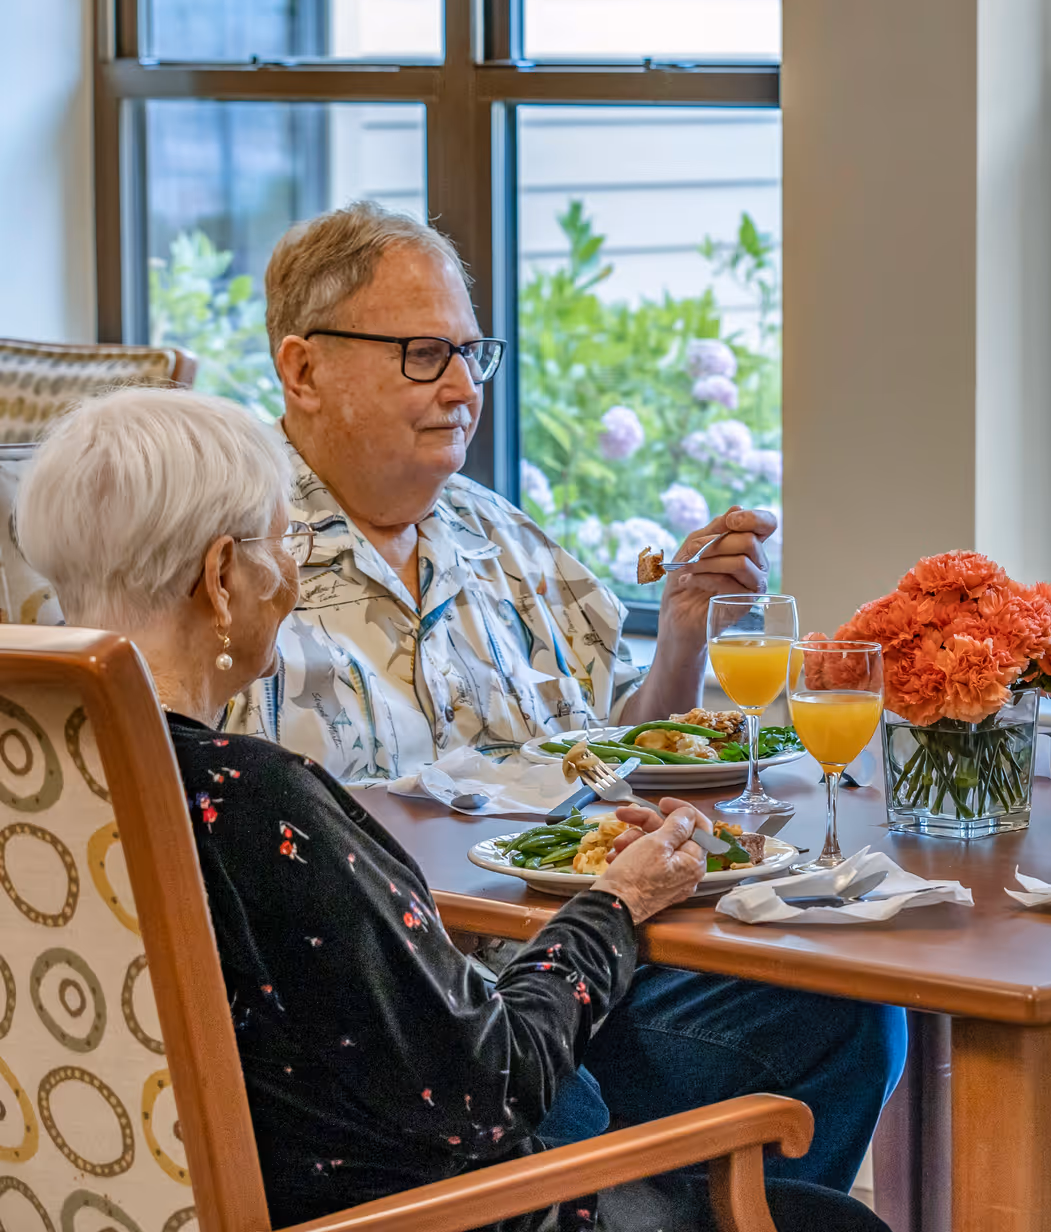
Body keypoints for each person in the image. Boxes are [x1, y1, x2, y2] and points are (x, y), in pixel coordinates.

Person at [13, 388, 890, 1232]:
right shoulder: (259, 799)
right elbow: (490, 1088)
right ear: (221, 579)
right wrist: (616, 903)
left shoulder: (49, 794)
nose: (292, 577)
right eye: (284, 548)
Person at [226, 199, 771, 786]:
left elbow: (624, 756)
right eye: (427, 355)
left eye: (470, 354)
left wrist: (682, 635)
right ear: (304, 371)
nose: (464, 388)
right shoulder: (222, 564)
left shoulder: (509, 543)